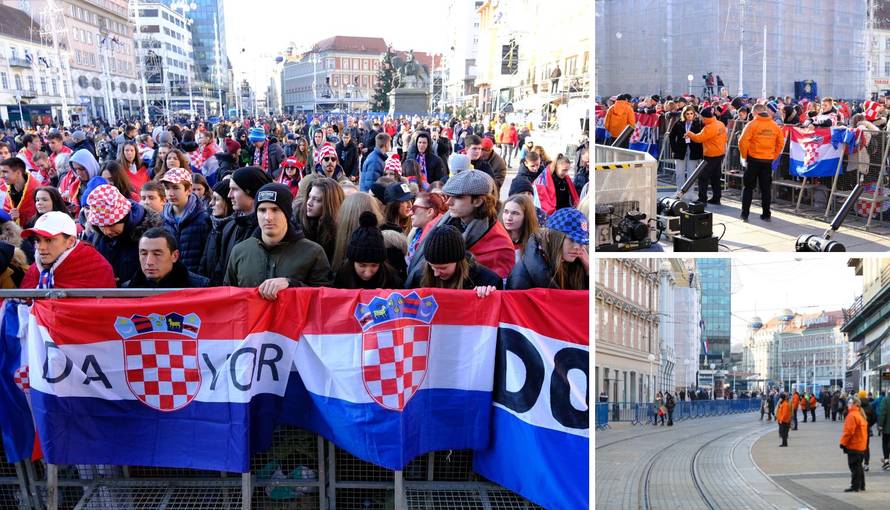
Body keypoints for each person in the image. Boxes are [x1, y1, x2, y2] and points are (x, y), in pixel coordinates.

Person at [224, 183, 332, 296]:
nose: (268, 217)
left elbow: (325, 298)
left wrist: (291, 284)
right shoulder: (239, 251)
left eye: (275, 210)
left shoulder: (313, 253)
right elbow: (228, 296)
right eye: (262, 210)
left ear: (287, 213)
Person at [407, 170, 514, 282]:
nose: (448, 202)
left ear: (478, 201)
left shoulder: (500, 245)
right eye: (448, 196)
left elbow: (497, 286)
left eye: (457, 197)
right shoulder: (436, 225)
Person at [85, 184, 163, 286]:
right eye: (101, 226)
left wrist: (130, 284)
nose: (106, 231)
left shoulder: (152, 236)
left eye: (111, 225)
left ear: (125, 219)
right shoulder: (95, 239)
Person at [20, 211, 116, 289]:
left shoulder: (96, 268)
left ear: (70, 241)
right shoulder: (34, 270)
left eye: (49, 240)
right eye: (37, 240)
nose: (40, 247)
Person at [403, 224, 502, 293]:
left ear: (458, 262)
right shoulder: (418, 276)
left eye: (443, 268)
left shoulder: (487, 281)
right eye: (432, 267)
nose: (436, 273)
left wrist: (489, 296)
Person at [508, 207, 589, 290]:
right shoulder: (521, 277)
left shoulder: (577, 265)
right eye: (571, 239)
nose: (577, 247)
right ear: (549, 236)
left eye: (582, 242)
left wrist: (589, 271)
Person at [737, 103, 784, 222]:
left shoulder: (752, 124)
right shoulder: (774, 125)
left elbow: (742, 141)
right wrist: (773, 156)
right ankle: (766, 214)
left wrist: (744, 156)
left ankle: (744, 214)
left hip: (753, 159)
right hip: (767, 160)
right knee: (766, 189)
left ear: (755, 112)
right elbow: (780, 143)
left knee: (748, 187)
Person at [159, 168, 211, 274]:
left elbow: (207, 255)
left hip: (195, 278)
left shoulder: (202, 219)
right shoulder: (162, 218)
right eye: (167, 188)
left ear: (189, 190)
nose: (171, 193)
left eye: (176, 188)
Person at [333, 211, 403, 289]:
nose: (368, 273)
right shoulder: (342, 277)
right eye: (362, 265)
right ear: (352, 262)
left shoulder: (392, 279)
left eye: (374, 265)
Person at [124, 228, 209, 288]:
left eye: (157, 254)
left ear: (175, 256)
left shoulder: (200, 287)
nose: (149, 262)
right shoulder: (127, 290)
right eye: (144, 254)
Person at [685, 107, 727, 206]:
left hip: (711, 155)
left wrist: (689, 133)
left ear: (705, 117)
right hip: (720, 153)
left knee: (703, 177)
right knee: (716, 177)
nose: (700, 119)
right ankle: (716, 198)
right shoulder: (720, 124)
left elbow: (699, 138)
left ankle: (702, 199)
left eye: (701, 117)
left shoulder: (709, 127)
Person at [297, 177, 343, 264]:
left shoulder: (338, 231)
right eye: (309, 197)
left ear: (330, 204)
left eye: (317, 200)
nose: (309, 203)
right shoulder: (298, 222)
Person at [406, 191, 446, 264]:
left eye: (414, 209)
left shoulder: (437, 242)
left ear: (429, 212)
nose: (410, 213)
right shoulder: (416, 234)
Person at [669, 106, 704, 189]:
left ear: (694, 114)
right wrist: (674, 149)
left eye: (691, 113)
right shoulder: (679, 123)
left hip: (694, 150)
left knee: (691, 173)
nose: (689, 115)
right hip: (680, 150)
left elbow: (702, 136)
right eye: (687, 114)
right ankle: (679, 191)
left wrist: (700, 150)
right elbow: (671, 136)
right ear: (684, 114)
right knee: (679, 172)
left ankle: (690, 192)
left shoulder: (698, 123)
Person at [1, 157, 42, 226]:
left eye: (5, 172)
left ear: (18, 173)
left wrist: (20, 217)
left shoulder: (38, 190)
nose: (2, 176)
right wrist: (11, 218)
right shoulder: (9, 192)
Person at [840, 395, 868, 492]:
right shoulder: (860, 414)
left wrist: (843, 443)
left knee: (854, 466)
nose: (848, 404)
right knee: (859, 466)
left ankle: (855, 486)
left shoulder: (852, 415)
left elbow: (848, 432)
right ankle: (861, 485)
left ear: (854, 404)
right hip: (861, 445)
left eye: (849, 403)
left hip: (854, 445)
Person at [501, 194, 540, 260]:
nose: (508, 218)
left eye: (515, 213)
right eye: (506, 212)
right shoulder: (497, 240)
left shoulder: (537, 244)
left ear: (526, 216)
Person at [878, 390, 890, 470]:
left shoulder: (885, 400)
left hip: (887, 428)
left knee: (885, 443)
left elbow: (883, 413)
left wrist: (880, 425)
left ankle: (886, 460)